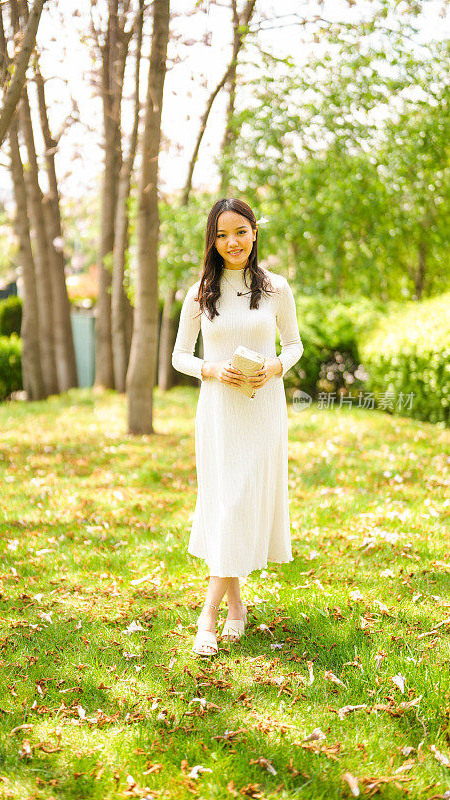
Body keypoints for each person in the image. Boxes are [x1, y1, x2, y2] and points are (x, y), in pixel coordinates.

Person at [171, 197, 304, 656]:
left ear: (254, 232)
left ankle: (210, 613)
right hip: (219, 413)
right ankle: (232, 610)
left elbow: (294, 344)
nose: (233, 242)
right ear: (213, 239)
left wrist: (276, 367)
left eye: (241, 232)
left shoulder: (276, 289)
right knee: (225, 505)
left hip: (263, 411)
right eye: (223, 234)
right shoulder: (199, 293)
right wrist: (211, 369)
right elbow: (179, 356)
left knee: (242, 501)